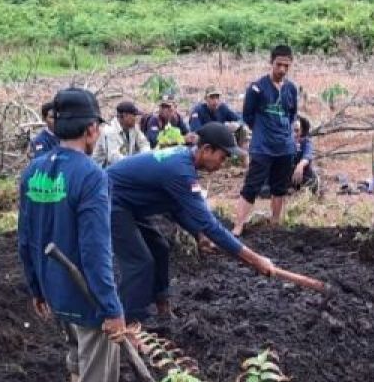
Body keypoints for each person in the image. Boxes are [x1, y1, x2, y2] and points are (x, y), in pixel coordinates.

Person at [17, 87, 130, 382]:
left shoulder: (34, 171)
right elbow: (96, 250)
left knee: (76, 355)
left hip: (53, 284)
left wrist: (35, 285)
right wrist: (112, 307)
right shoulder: (91, 175)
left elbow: (26, 236)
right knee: (100, 363)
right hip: (85, 292)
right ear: (92, 130)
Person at [108, 123, 275, 327]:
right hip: (108, 202)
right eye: (222, 157)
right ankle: (128, 325)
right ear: (206, 150)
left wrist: (198, 234)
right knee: (139, 262)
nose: (223, 163)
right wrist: (255, 260)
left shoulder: (183, 161)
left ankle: (163, 308)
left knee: (160, 248)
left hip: (127, 204)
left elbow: (176, 206)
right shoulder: (180, 171)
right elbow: (211, 225)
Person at [234, 45, 299, 237]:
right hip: (262, 147)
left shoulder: (291, 89)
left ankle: (276, 223)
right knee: (252, 186)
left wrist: (287, 134)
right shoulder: (257, 88)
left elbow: (292, 114)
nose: (282, 70)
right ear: (271, 63)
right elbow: (248, 115)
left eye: (286, 66)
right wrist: (262, 131)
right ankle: (238, 225)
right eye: (279, 65)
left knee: (279, 187)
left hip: (285, 147)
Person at [92, 100, 151, 168]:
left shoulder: (133, 127)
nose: (136, 118)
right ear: (124, 116)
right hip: (102, 170)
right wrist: (135, 162)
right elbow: (113, 158)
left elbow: (144, 143)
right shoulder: (109, 131)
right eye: (134, 115)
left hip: (123, 167)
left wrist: (144, 158)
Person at [292, 116, 317, 192]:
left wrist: (300, 165)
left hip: (301, 173)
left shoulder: (306, 142)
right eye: (291, 130)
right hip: (285, 172)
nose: (293, 134)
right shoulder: (284, 140)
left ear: (302, 131)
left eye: (296, 131)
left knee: (312, 183)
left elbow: (307, 156)